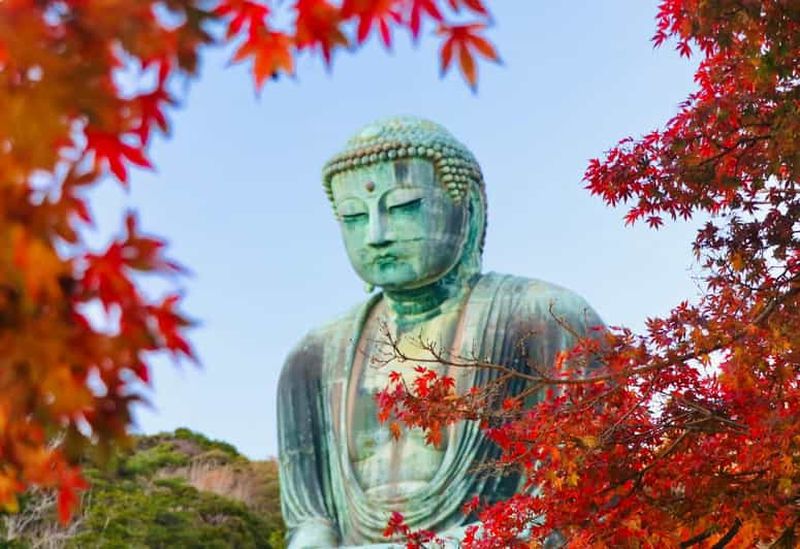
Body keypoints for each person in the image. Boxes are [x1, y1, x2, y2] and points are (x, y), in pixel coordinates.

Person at [277, 117, 603, 548]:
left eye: (403, 206)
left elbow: (569, 505)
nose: (376, 235)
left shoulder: (546, 318)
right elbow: (309, 523)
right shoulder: (313, 358)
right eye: (353, 216)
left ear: (467, 208)